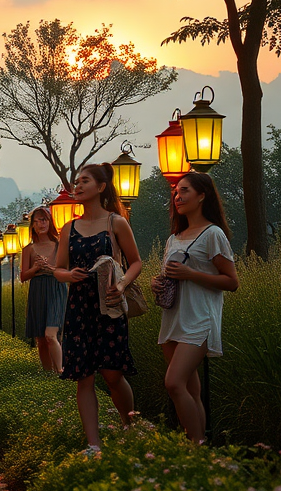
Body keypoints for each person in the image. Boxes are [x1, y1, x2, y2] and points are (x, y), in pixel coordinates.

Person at [53, 163, 142, 456]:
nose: (77, 186)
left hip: (109, 306)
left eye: (85, 181)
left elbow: (136, 262)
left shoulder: (116, 222)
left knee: (113, 374)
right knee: (84, 377)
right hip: (79, 307)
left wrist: (122, 283)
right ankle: (94, 445)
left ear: (101, 187)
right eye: (77, 181)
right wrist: (67, 276)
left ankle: (130, 429)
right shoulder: (69, 228)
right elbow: (59, 269)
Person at [154, 172, 239, 444]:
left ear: (202, 195)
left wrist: (190, 274)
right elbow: (172, 277)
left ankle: (194, 448)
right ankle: (202, 451)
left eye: (185, 190)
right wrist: (159, 283)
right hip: (173, 318)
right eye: (177, 192)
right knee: (190, 389)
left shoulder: (212, 234)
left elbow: (231, 281)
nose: (178, 196)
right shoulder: (174, 238)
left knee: (174, 383)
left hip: (200, 320)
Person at [20, 206, 67, 373]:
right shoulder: (28, 249)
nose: (42, 223)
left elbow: (67, 270)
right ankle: (48, 375)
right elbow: (23, 276)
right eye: (38, 220)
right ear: (32, 225)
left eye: (45, 219)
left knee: (51, 334)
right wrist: (36, 268)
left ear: (50, 222)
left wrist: (51, 268)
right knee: (41, 337)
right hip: (37, 290)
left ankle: (60, 371)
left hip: (56, 288)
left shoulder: (60, 245)